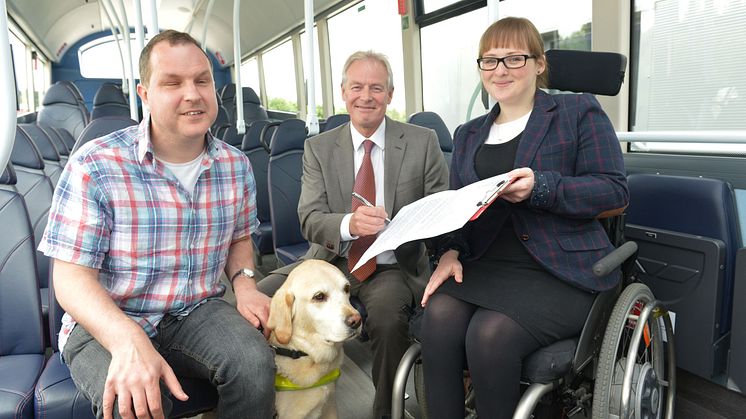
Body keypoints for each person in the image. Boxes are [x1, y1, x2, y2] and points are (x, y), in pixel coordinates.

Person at [39, 30, 275, 419]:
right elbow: (70, 280)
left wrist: (246, 285)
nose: (193, 94)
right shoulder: (96, 165)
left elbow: (239, 238)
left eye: (202, 80)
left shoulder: (235, 166)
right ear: (144, 93)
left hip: (195, 309)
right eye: (172, 83)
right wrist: (127, 339)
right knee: (137, 405)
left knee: (254, 365)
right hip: (109, 317)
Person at [419, 17, 629, 419]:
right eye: (490, 61)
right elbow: (460, 211)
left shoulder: (577, 111)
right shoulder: (467, 133)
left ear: (538, 64)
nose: (500, 70)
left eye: (514, 59)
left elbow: (614, 191)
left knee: (489, 334)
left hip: (560, 269)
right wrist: (449, 252)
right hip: (488, 265)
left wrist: (542, 188)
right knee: (438, 320)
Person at [257, 50, 449, 418]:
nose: (366, 96)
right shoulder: (319, 148)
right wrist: (350, 224)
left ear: (390, 95)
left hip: (392, 266)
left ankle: (386, 411)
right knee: (254, 304)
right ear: (343, 93)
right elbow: (310, 219)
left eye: (376, 88)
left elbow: (440, 211)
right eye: (357, 87)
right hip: (328, 262)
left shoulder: (422, 142)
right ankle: (275, 402)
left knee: (389, 320)